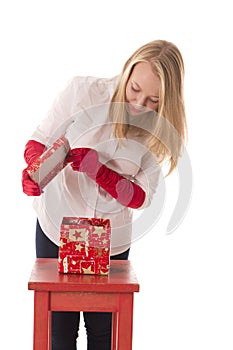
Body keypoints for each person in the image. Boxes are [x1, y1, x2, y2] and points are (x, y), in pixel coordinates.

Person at [22, 39, 187, 350]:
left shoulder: (159, 126)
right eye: (135, 89)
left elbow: (140, 197)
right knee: (59, 333)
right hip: (56, 227)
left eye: (154, 99)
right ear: (127, 72)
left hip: (109, 241)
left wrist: (102, 173)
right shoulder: (82, 91)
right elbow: (40, 139)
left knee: (103, 335)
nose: (140, 104)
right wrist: (34, 169)